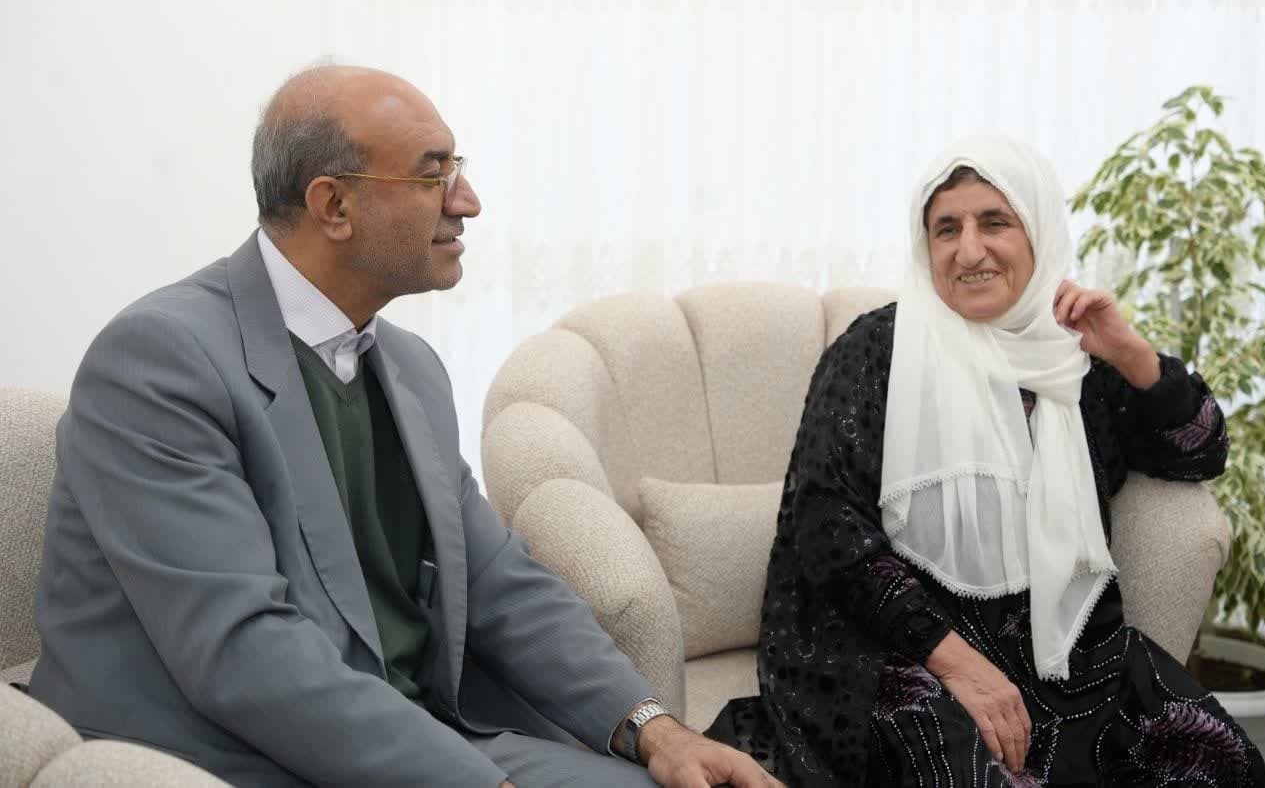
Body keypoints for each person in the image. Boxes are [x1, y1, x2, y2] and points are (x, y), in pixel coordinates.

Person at [28, 65, 781, 788]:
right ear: (333, 205)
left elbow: (498, 582)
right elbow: (243, 652)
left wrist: (657, 729)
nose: (468, 201)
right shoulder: (159, 361)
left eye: (458, 168)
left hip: (417, 738)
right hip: (220, 757)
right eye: (433, 174)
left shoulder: (410, 367)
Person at [706, 137, 1265, 786]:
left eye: (994, 222)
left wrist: (1130, 353)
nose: (969, 250)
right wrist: (955, 661)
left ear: (1039, 233)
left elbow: (1200, 453)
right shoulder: (877, 351)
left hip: (1066, 653)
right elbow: (825, 523)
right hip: (901, 650)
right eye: (947, 229)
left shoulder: (1074, 356)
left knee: (1222, 761)